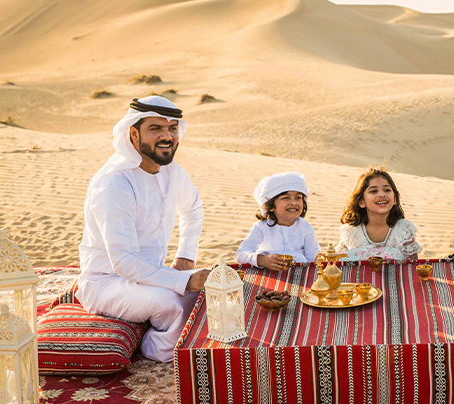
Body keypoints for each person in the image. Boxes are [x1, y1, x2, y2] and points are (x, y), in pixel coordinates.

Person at [77, 96, 208, 363]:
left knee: (213, 292)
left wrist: (185, 257)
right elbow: (124, 261)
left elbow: (193, 209)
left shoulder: (171, 173)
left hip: (152, 276)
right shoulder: (114, 183)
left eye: (172, 128)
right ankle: (152, 349)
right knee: (169, 305)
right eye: (156, 129)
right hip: (107, 282)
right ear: (133, 134)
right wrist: (182, 281)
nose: (167, 136)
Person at [236, 172, 320, 269]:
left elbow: (314, 261)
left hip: (299, 276)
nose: (293, 202)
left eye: (298, 198)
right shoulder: (261, 227)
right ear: (270, 206)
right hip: (268, 276)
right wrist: (262, 260)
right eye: (286, 198)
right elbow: (241, 254)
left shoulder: (306, 229)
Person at [336, 167, 421, 261]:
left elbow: (413, 268)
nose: (381, 194)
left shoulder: (404, 229)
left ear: (395, 199)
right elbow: (337, 265)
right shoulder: (351, 232)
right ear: (361, 201)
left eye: (387, 190)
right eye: (373, 191)